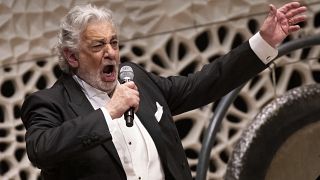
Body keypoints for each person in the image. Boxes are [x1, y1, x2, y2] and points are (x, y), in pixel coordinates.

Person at [21, 2, 306, 180]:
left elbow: (204, 83)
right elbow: (41, 149)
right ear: (72, 57)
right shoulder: (49, 103)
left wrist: (264, 42)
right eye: (97, 46)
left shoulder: (138, 81)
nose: (111, 53)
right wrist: (108, 113)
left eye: (114, 43)